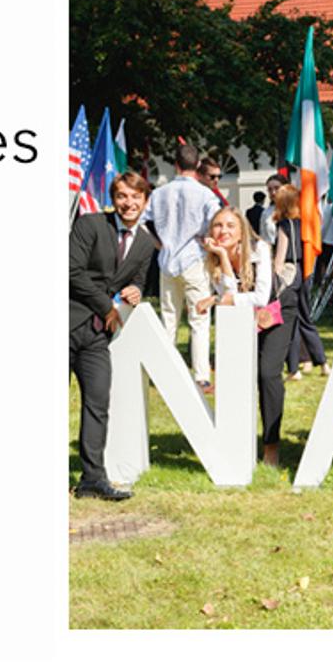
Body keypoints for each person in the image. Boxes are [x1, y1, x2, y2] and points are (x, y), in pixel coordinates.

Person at [69, 173, 159, 501]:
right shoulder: (90, 225)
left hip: (97, 335)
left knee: (98, 403)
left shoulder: (147, 243)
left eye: (136, 197)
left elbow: (135, 280)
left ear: (145, 201)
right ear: (114, 199)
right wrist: (106, 303)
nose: (129, 203)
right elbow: (70, 270)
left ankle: (92, 479)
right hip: (65, 323)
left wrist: (135, 289)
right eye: (122, 196)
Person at [194, 207, 291, 467]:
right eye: (217, 225)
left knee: (267, 374)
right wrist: (223, 256)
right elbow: (229, 295)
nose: (223, 231)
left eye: (230, 226)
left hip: (277, 312)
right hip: (245, 319)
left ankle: (271, 446)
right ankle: (235, 442)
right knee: (236, 376)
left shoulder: (260, 250)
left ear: (242, 231)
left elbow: (259, 297)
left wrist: (219, 299)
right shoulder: (213, 257)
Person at [145, 144, 223, 392]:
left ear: (175, 165)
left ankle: (164, 373)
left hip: (167, 259)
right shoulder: (205, 194)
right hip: (194, 259)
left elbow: (143, 223)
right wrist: (210, 242)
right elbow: (218, 220)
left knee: (169, 318)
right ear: (197, 165)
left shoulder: (159, 193)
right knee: (198, 319)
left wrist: (160, 245)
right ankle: (201, 375)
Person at [272, 184, 328, 380]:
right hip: (305, 273)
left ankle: (294, 368)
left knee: (290, 322)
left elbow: (280, 256)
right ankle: (323, 362)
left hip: (289, 274)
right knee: (306, 319)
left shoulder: (284, 225)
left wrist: (274, 277)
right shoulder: (305, 224)